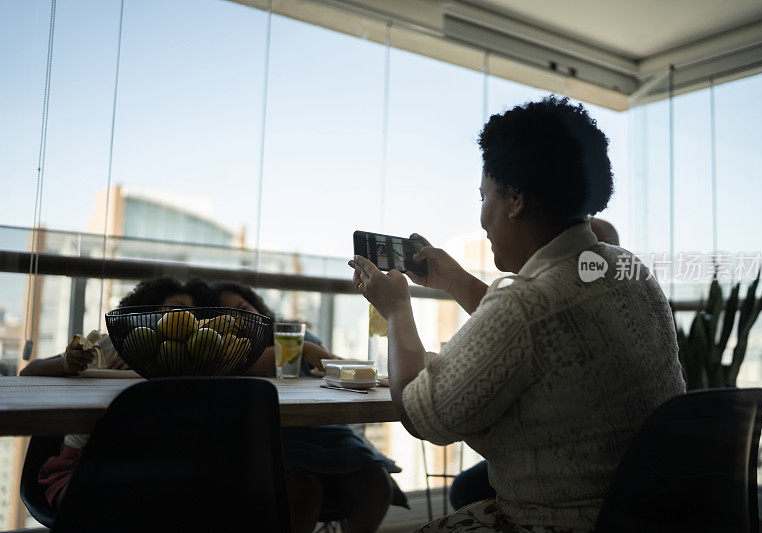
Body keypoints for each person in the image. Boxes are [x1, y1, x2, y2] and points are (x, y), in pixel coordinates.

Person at [349, 96, 685, 532]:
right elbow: (550, 327)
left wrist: (396, 310)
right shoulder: (626, 269)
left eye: (485, 196)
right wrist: (456, 282)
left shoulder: (526, 306)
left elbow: (418, 413)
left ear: (515, 199)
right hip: (649, 514)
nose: (483, 217)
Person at [447, 217, 622, 511]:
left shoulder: (578, 315)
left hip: (577, 487)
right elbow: (519, 323)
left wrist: (398, 310)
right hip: (618, 478)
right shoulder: (607, 310)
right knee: (466, 487)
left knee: (465, 489)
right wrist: (453, 279)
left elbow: (439, 414)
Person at [210, 281, 408, 533]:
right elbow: (244, 366)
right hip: (278, 440)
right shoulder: (225, 354)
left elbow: (330, 366)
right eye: (230, 315)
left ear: (257, 307)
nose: (242, 317)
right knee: (303, 489)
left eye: (244, 307)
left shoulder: (295, 334)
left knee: (377, 481)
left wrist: (313, 351)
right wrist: (301, 348)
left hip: (329, 432)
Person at [24, 276, 204, 509]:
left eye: (194, 315)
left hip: (152, 468)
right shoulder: (111, 346)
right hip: (82, 464)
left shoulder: (192, 362)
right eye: (178, 310)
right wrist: (68, 363)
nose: (186, 319)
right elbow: (29, 371)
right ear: (146, 310)